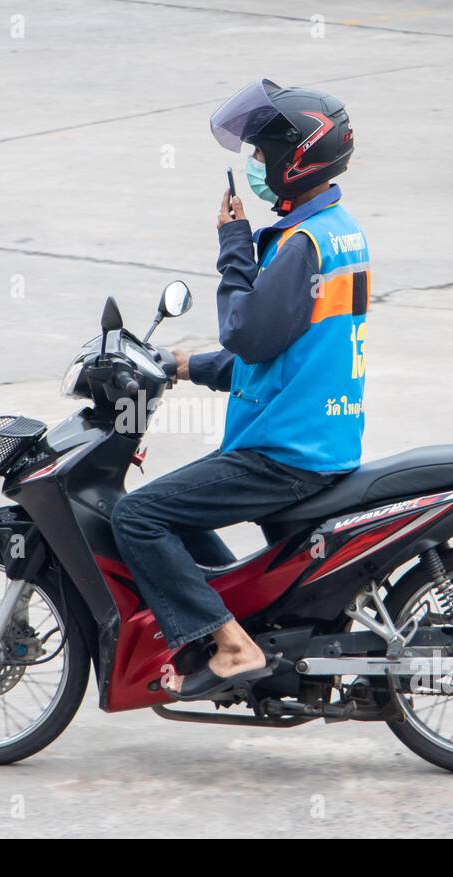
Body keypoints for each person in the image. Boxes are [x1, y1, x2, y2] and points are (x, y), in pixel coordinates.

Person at [110, 78, 371, 701]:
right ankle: (236, 620)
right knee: (178, 512)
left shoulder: (302, 245)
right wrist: (183, 365)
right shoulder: (338, 231)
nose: (255, 167)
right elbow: (286, 352)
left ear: (295, 157)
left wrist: (232, 246)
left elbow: (248, 333)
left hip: (283, 452)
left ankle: (231, 644)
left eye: (262, 155)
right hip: (318, 434)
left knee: (139, 516)